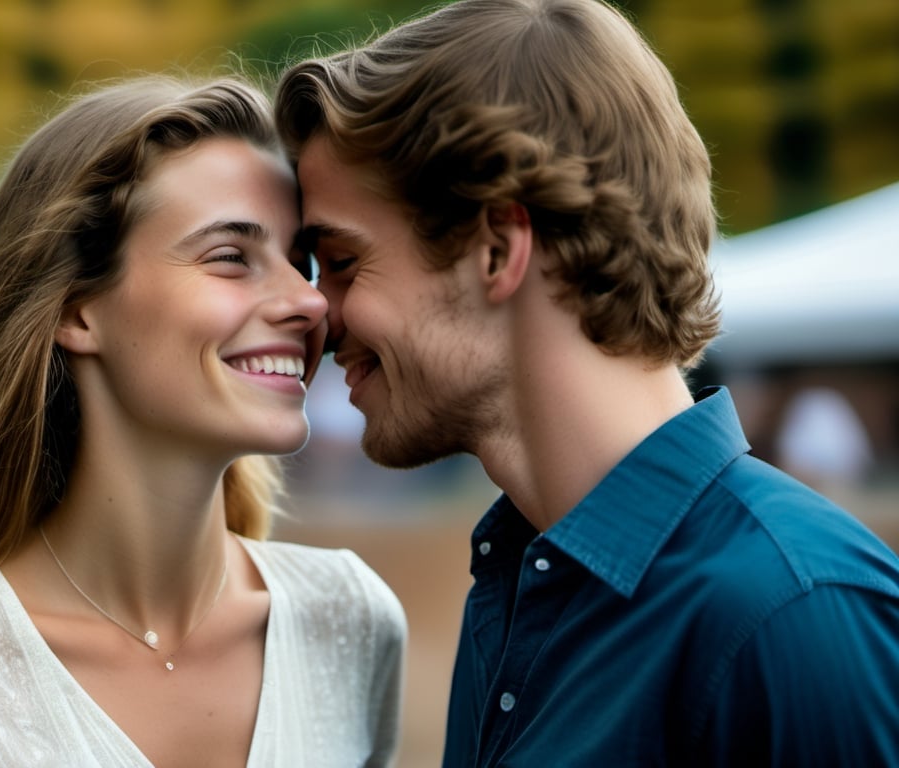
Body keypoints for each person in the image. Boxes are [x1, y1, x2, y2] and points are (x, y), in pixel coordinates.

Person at [274, 0, 899, 765]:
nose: (316, 313)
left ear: (498, 249)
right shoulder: (514, 593)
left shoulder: (789, 613)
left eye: (340, 261)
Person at [0, 75, 405, 767]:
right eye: (232, 256)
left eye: (302, 261)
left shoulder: (351, 623)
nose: (310, 302)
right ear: (77, 310)